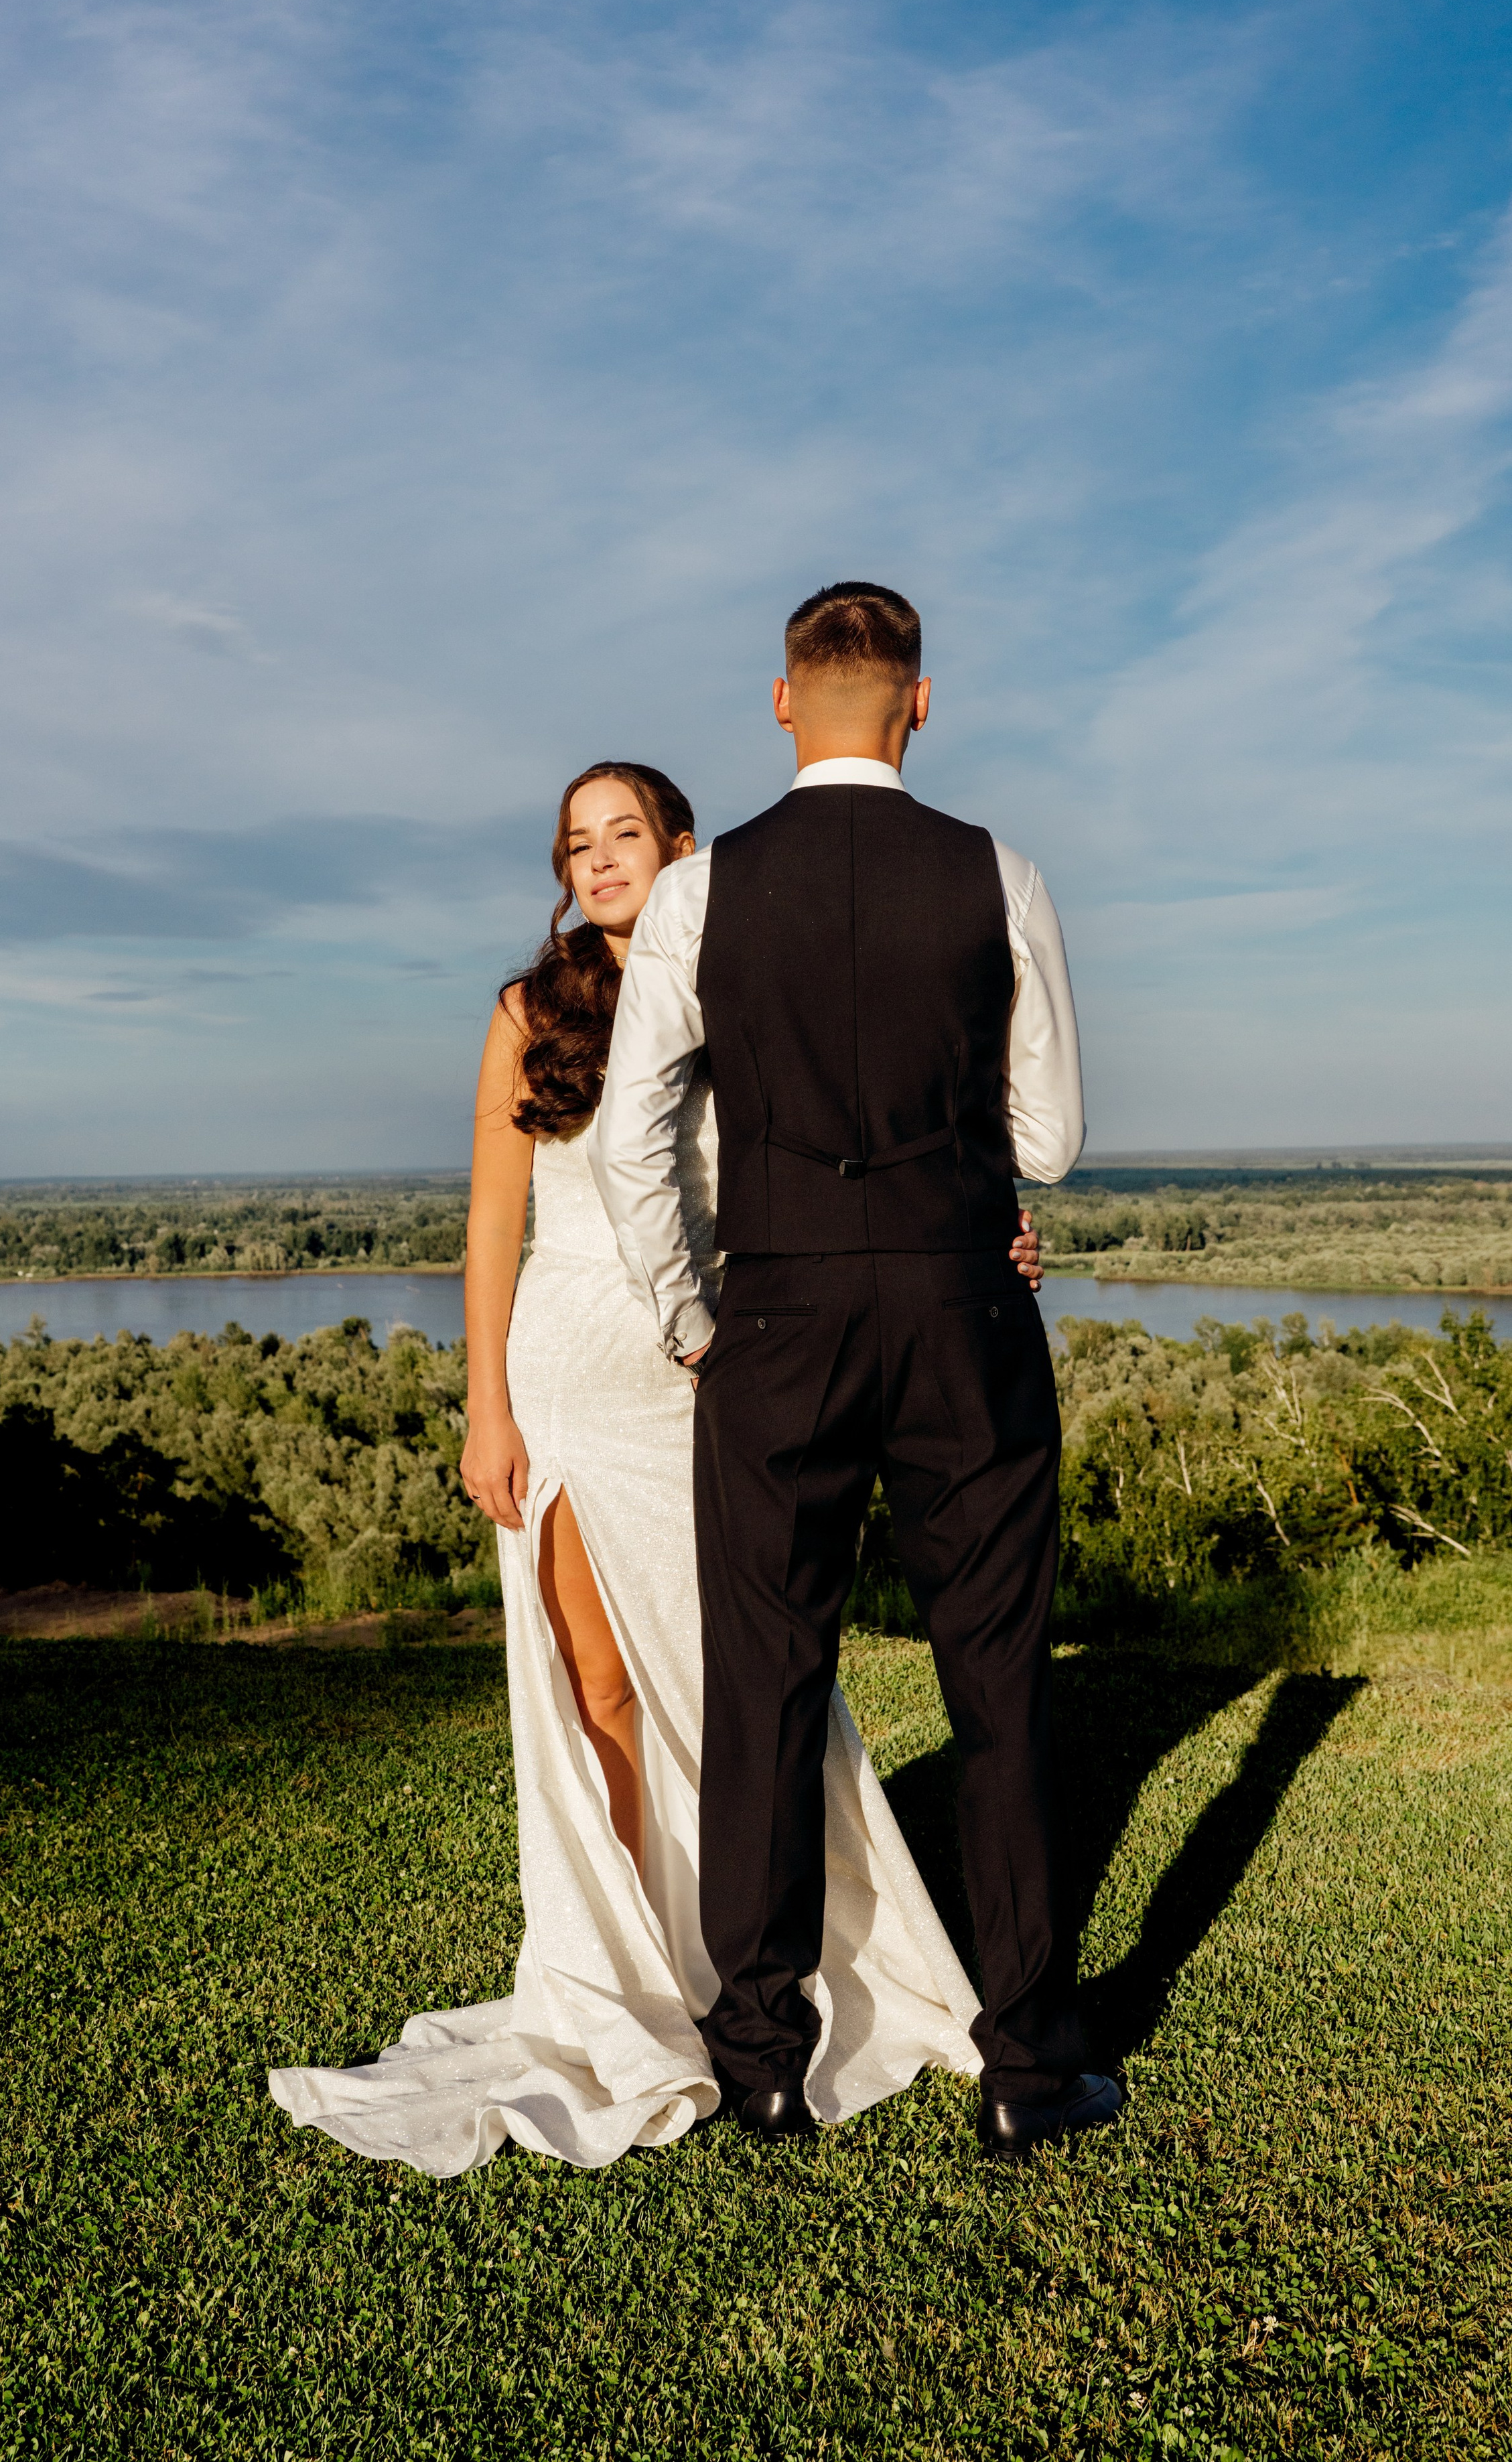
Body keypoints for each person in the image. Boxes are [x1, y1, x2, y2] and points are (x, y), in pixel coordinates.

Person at [267, 756, 1044, 2175]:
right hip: (566, 1372)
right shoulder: (525, 1012)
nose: (600, 860)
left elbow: (860, 1152)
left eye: (626, 833)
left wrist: (978, 1233)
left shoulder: (740, 974)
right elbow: (489, 1225)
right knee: (602, 1686)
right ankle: (633, 1968)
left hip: (724, 1372)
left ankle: (764, 1966)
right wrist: (482, 1409)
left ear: (683, 849)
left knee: (756, 1682)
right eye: (577, 843)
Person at [591, 583, 1124, 2160]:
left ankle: (759, 2051)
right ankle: (1026, 2059)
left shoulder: (700, 894)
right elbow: (1049, 1140)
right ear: (919, 702)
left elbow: (635, 1140)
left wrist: (695, 1317)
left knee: (762, 1677)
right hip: (961, 1299)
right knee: (998, 1675)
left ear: (778, 703)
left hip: (775, 1317)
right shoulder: (994, 871)